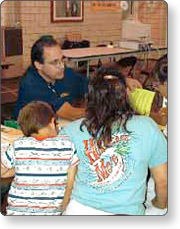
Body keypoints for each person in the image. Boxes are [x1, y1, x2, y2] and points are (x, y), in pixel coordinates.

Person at [61, 68, 167, 215]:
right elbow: (163, 182)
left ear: (90, 97)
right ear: (127, 94)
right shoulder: (148, 126)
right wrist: (159, 205)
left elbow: (65, 182)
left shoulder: (70, 130)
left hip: (79, 210)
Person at [1, 101, 78, 215]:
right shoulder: (68, 146)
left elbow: (2, 172)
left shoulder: (18, 145)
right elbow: (70, 182)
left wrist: (26, 167)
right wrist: (63, 207)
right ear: (52, 123)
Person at [13, 35, 88, 121]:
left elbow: (90, 88)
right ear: (39, 65)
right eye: (55, 62)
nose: (62, 66)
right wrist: (99, 111)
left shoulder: (64, 72)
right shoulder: (31, 85)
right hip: (27, 130)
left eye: (62, 60)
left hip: (56, 124)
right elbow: (71, 114)